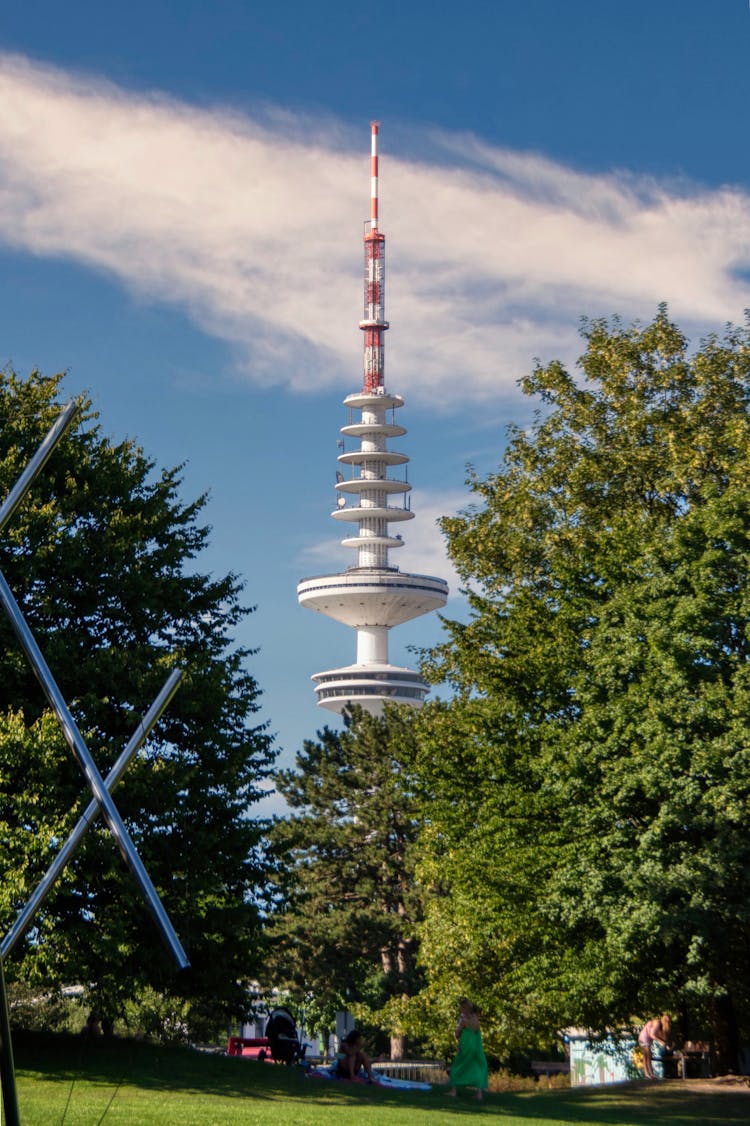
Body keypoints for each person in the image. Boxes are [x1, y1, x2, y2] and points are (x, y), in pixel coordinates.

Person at [446, 999, 489, 1101]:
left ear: (464, 1008)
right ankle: (479, 1094)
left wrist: (458, 1032)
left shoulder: (463, 1019)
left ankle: (453, 1091)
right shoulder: (476, 1019)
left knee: (458, 1065)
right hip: (477, 1046)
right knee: (476, 1066)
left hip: (466, 1044)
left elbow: (457, 1033)